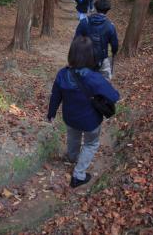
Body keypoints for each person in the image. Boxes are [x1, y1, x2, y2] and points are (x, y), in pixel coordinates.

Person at [47, 36, 119, 188]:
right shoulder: (94, 78)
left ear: (71, 53)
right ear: (91, 56)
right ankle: (78, 175)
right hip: (90, 121)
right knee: (91, 143)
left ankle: (73, 157)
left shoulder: (62, 74)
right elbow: (114, 96)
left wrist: (51, 113)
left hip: (70, 118)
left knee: (73, 138)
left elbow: (55, 96)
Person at [74, 0, 118, 80]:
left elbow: (76, 41)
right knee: (105, 81)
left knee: (82, 81)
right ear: (107, 10)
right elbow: (115, 46)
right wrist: (114, 52)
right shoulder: (110, 26)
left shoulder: (84, 22)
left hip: (85, 57)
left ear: (96, 7)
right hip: (102, 58)